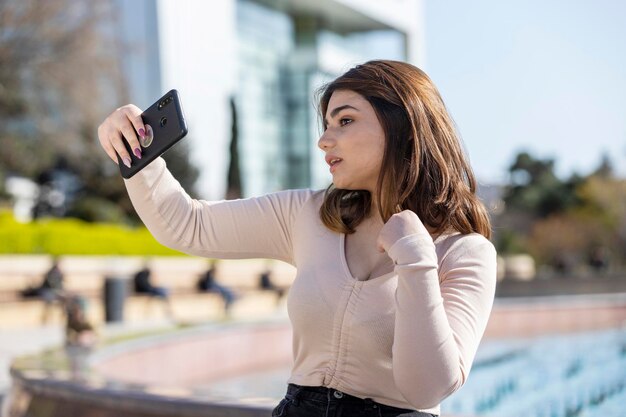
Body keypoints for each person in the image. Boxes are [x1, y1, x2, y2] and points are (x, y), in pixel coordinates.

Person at [98, 60, 497, 417]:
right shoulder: (308, 215)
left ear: (404, 127)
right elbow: (189, 225)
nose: (324, 140)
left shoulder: (465, 253)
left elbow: (426, 388)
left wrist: (416, 261)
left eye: (344, 121)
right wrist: (135, 154)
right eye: (326, 125)